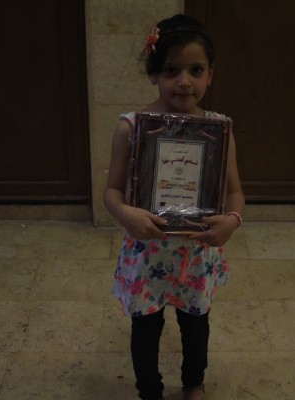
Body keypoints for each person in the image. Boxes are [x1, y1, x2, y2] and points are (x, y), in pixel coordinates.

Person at [104, 14, 245, 400]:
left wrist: (232, 221)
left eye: (195, 70)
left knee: (196, 327)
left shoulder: (219, 129)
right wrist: (125, 214)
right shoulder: (131, 127)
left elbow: (235, 193)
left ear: (210, 74)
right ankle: (149, 391)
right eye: (171, 70)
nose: (184, 81)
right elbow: (111, 191)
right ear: (154, 73)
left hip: (195, 256)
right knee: (145, 329)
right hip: (147, 252)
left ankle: (194, 383)